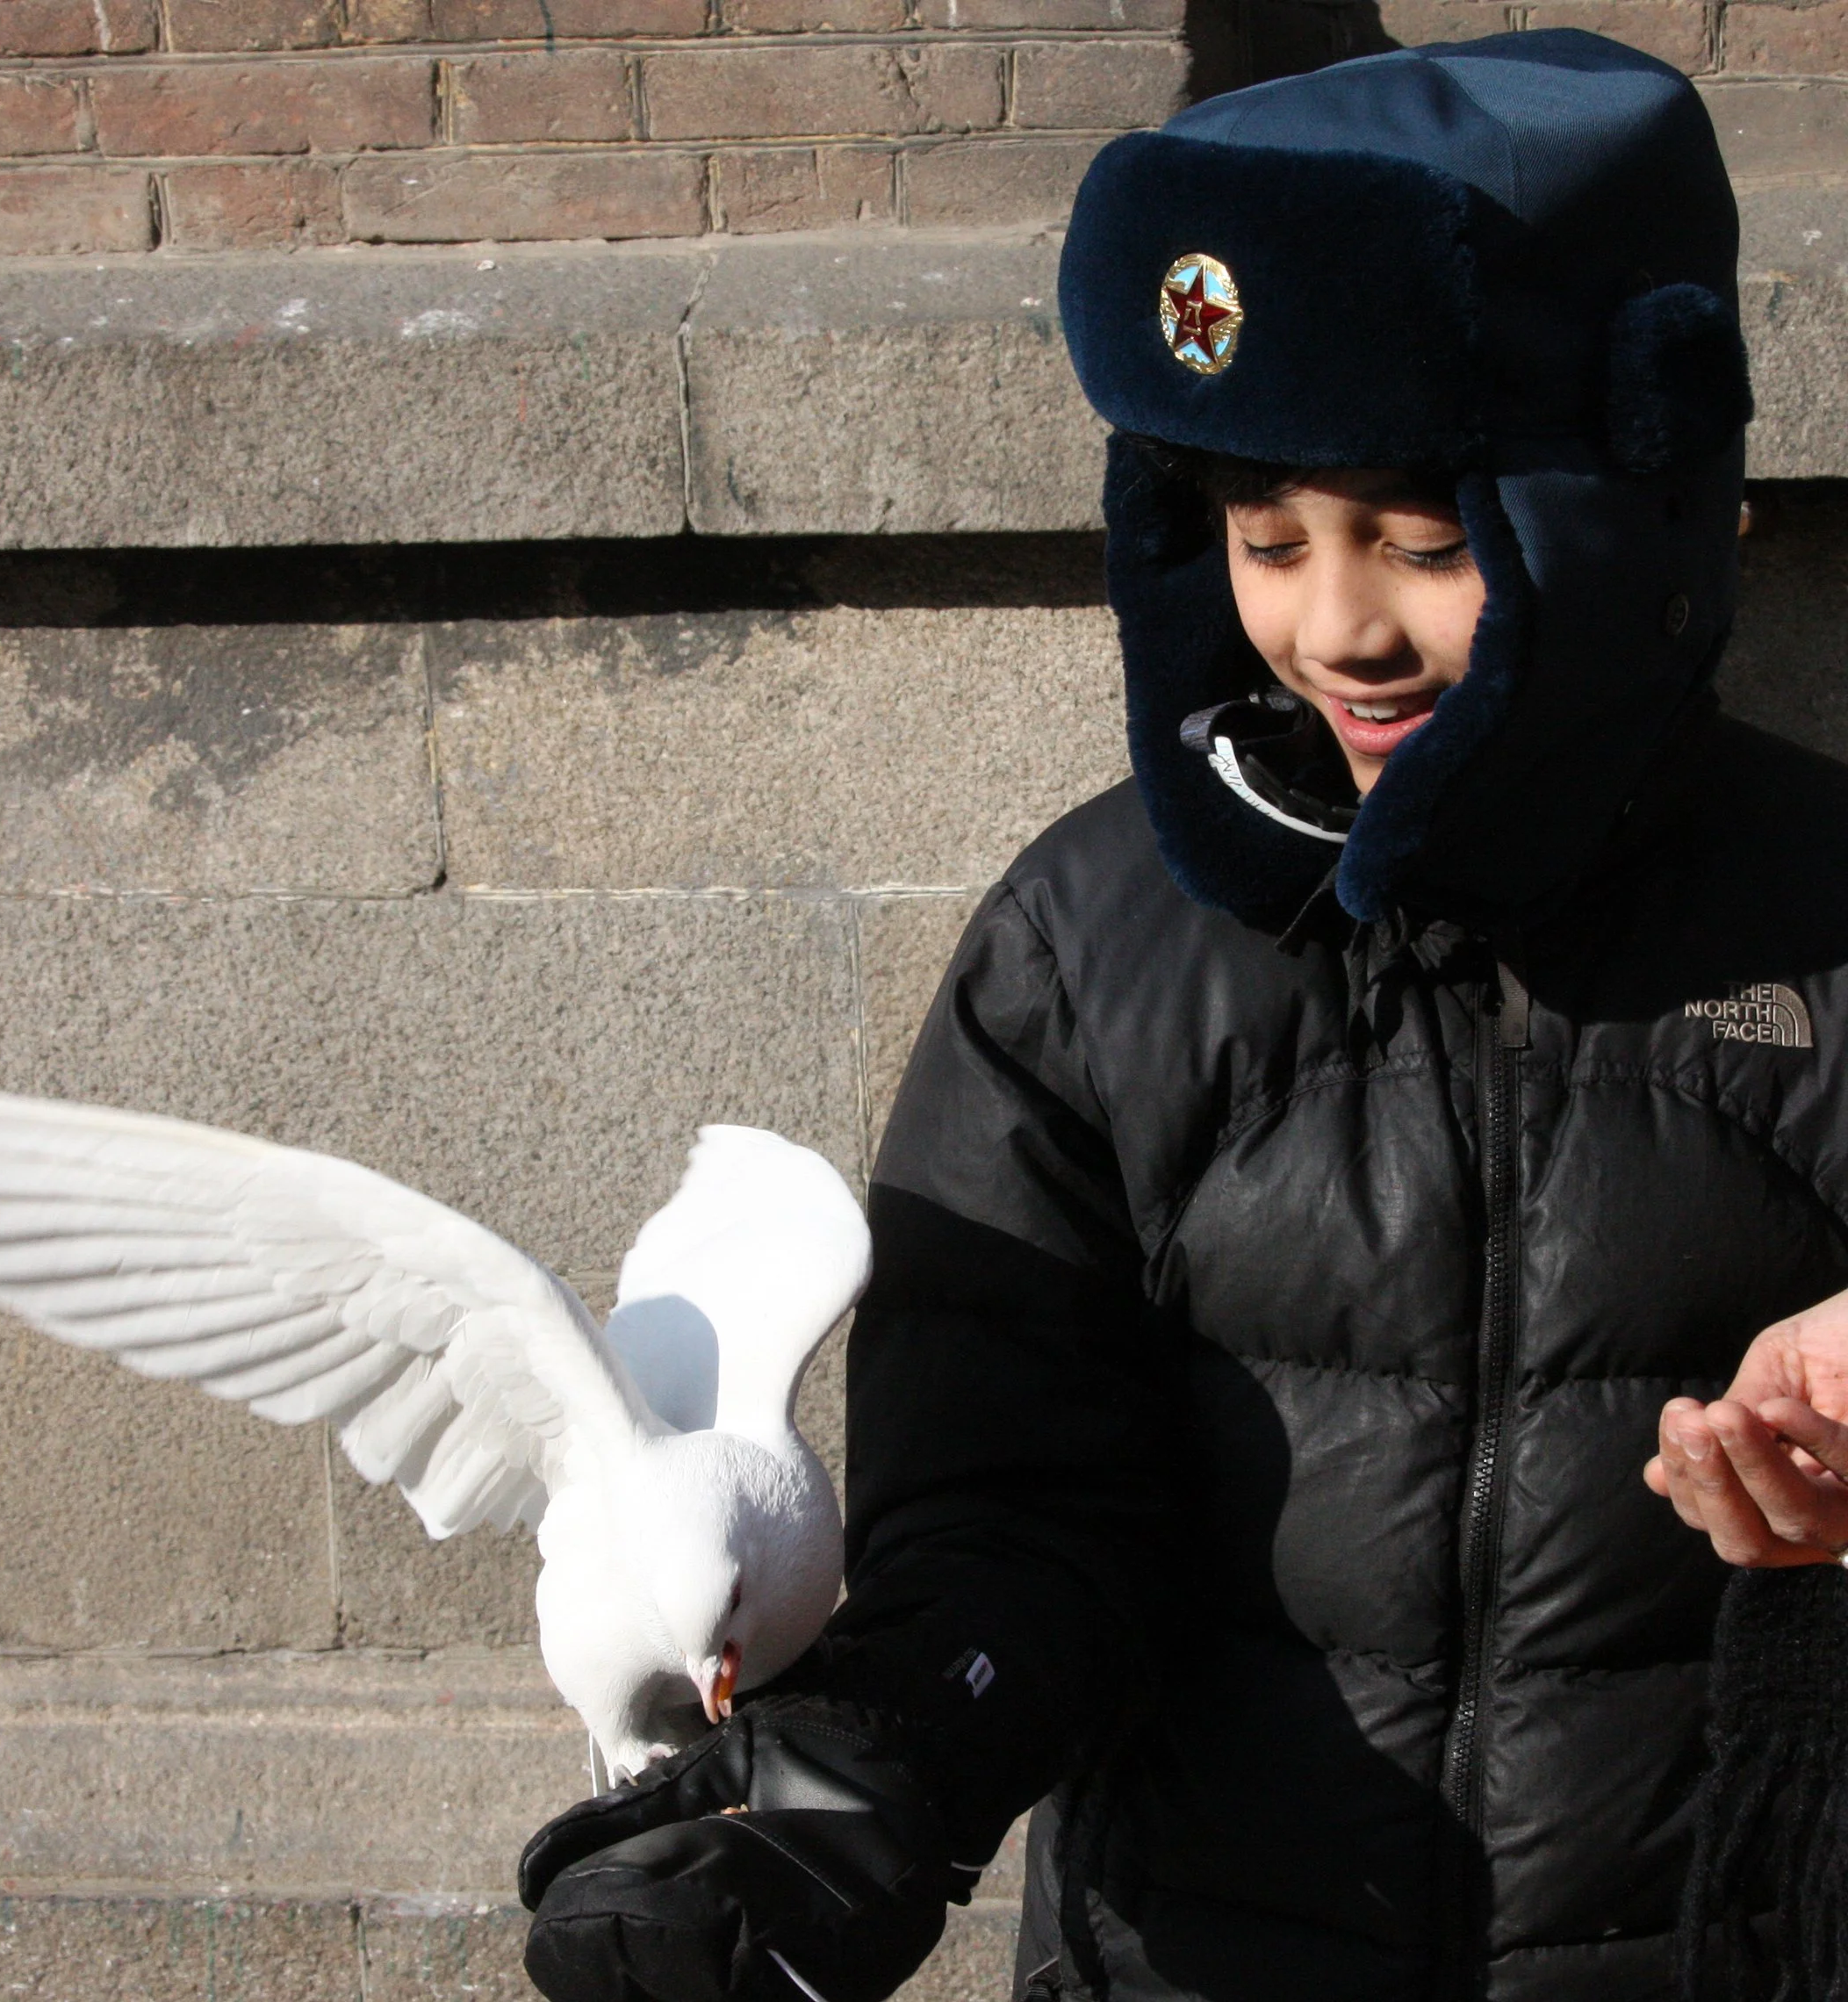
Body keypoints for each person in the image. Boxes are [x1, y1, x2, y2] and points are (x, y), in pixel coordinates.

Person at [514, 29, 1848, 2002]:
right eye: (1264, 538)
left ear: (1639, 501)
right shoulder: (1087, 948)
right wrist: (857, 1790)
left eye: (1427, 537)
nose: (1338, 630)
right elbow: (1019, 1519)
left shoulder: (1822, 912)